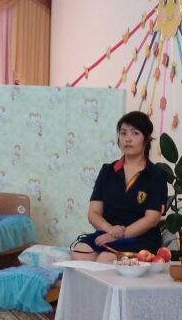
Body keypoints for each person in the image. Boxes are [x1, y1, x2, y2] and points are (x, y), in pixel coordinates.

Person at [71, 111, 168, 262]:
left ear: (147, 139)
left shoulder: (156, 175)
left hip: (140, 238)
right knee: (79, 253)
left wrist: (120, 235)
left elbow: (152, 219)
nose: (128, 139)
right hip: (108, 232)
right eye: (123, 133)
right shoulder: (107, 171)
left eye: (135, 133)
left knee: (106, 259)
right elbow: (93, 213)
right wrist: (110, 230)